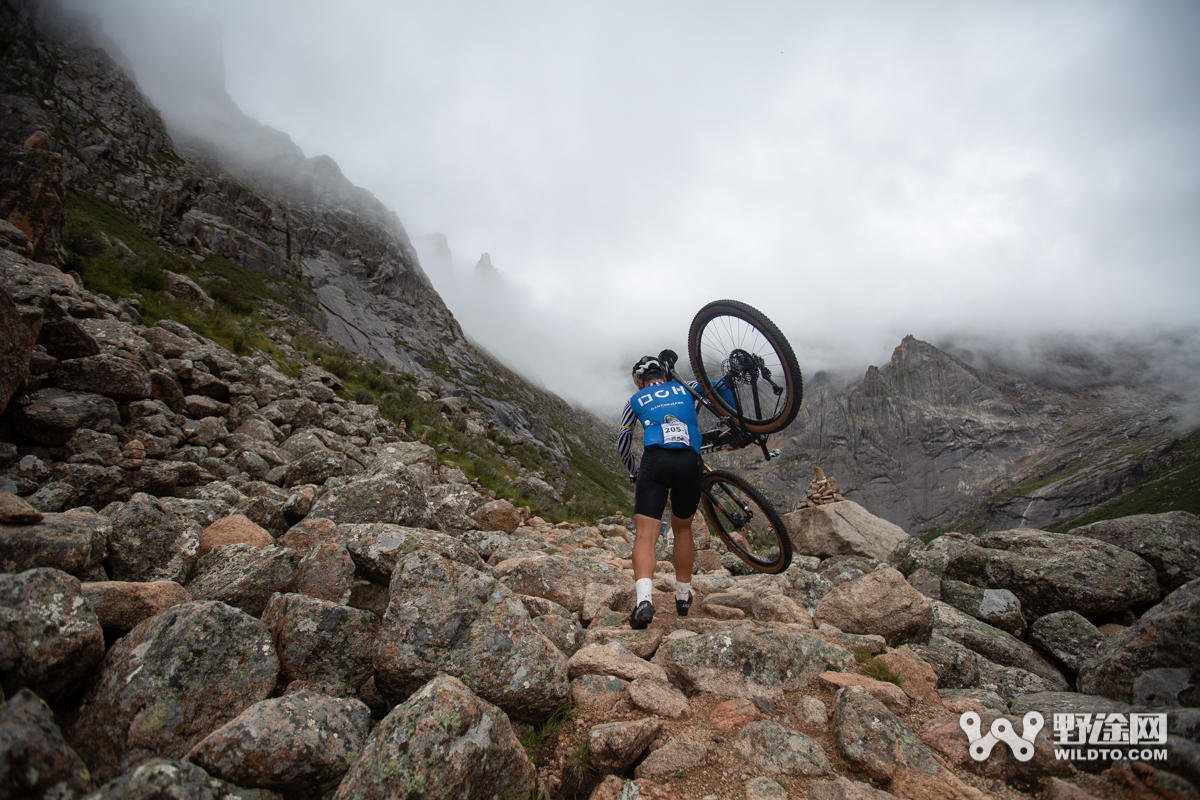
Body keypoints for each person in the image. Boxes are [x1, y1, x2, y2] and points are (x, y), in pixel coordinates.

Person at [616, 354, 703, 629]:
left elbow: (622, 442)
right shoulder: (685, 387)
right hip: (691, 462)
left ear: (641, 382)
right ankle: (682, 597)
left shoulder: (635, 400)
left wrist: (633, 471)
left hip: (655, 463)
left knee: (645, 534)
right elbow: (711, 392)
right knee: (684, 529)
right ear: (665, 376)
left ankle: (644, 602)